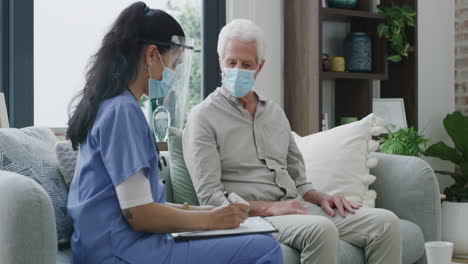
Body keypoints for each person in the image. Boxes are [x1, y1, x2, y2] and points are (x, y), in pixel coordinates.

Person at [66, 3, 282, 263]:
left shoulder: (113, 105)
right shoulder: (122, 111)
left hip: (109, 245)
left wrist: (210, 212)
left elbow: (140, 202)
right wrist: (211, 221)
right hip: (118, 252)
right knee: (265, 247)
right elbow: (139, 214)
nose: (173, 73)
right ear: (151, 55)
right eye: (173, 63)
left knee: (258, 241)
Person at [183, 19, 402, 264]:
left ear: (259, 67)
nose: (237, 70)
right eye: (231, 62)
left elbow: (299, 180)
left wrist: (321, 197)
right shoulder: (202, 117)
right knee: (320, 230)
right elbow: (211, 198)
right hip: (249, 217)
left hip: (294, 207)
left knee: (385, 223)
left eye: (246, 64)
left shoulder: (274, 112)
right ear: (220, 63)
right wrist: (270, 208)